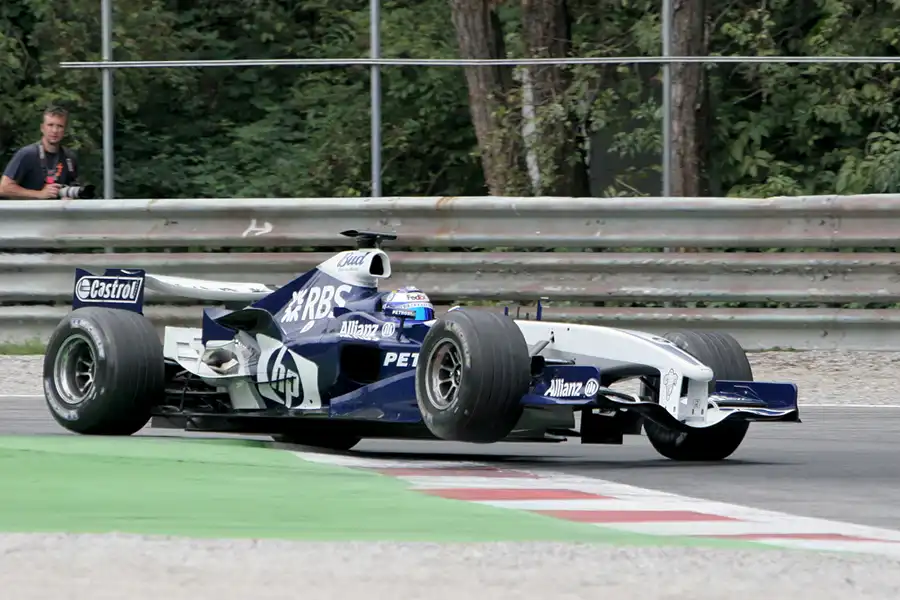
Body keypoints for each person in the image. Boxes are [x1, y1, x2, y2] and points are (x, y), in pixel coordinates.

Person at [0, 105, 82, 199]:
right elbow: (3, 188)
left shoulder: (69, 158)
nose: (55, 131)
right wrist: (39, 194)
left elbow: (73, 186)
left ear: (65, 130)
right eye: (50, 125)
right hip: (30, 212)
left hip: (56, 213)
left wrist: (69, 198)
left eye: (60, 126)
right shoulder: (28, 154)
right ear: (42, 128)